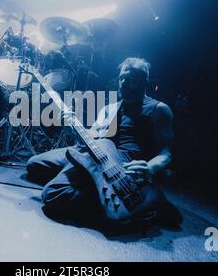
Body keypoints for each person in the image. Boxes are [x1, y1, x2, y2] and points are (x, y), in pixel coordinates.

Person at [26, 57, 182, 228]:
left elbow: (166, 153)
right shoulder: (110, 108)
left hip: (120, 160)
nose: (123, 83)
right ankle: (95, 185)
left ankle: (127, 211)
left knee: (54, 194)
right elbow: (94, 135)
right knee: (34, 165)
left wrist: (150, 168)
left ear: (144, 82)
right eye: (122, 78)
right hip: (95, 150)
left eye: (131, 80)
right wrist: (73, 127)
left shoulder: (159, 109)